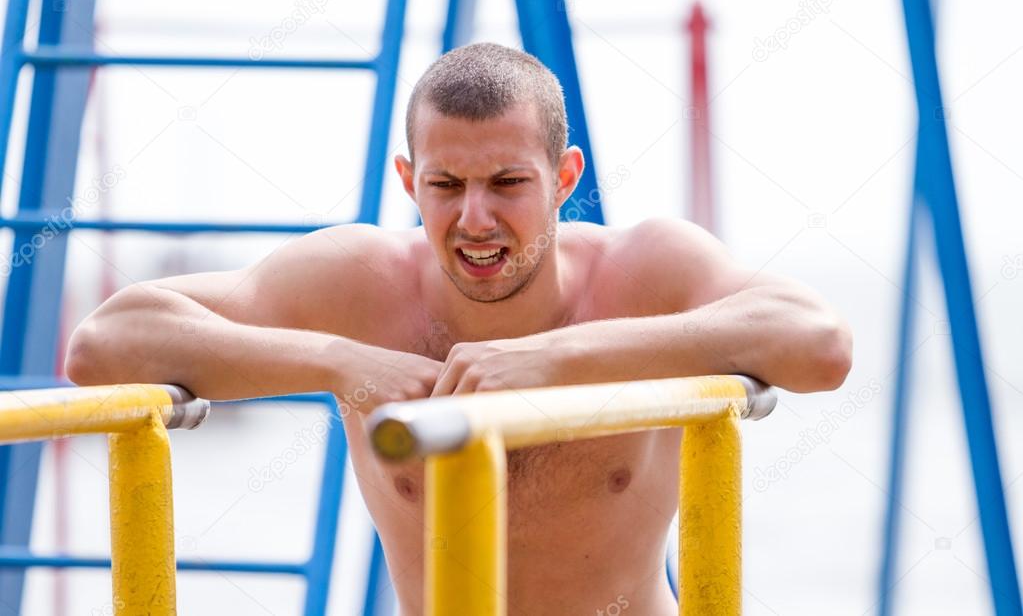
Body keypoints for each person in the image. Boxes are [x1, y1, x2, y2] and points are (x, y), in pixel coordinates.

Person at [66, 42, 852, 615]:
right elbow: (104, 345)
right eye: (445, 185)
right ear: (409, 180)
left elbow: (816, 343)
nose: (474, 218)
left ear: (564, 178)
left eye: (508, 183)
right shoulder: (359, 282)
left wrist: (556, 361)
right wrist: (340, 361)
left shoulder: (645, 269)